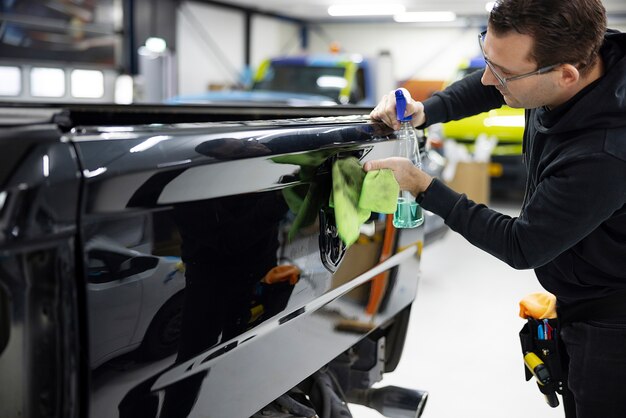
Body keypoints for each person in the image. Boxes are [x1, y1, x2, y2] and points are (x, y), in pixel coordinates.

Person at [366, 0, 626, 417]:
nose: (489, 78)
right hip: (583, 300)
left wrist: (423, 187)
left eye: (503, 73)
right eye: (488, 58)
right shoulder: (589, 53)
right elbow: (487, 85)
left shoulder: (605, 153)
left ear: (566, 75)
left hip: (613, 328)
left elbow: (524, 244)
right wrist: (426, 111)